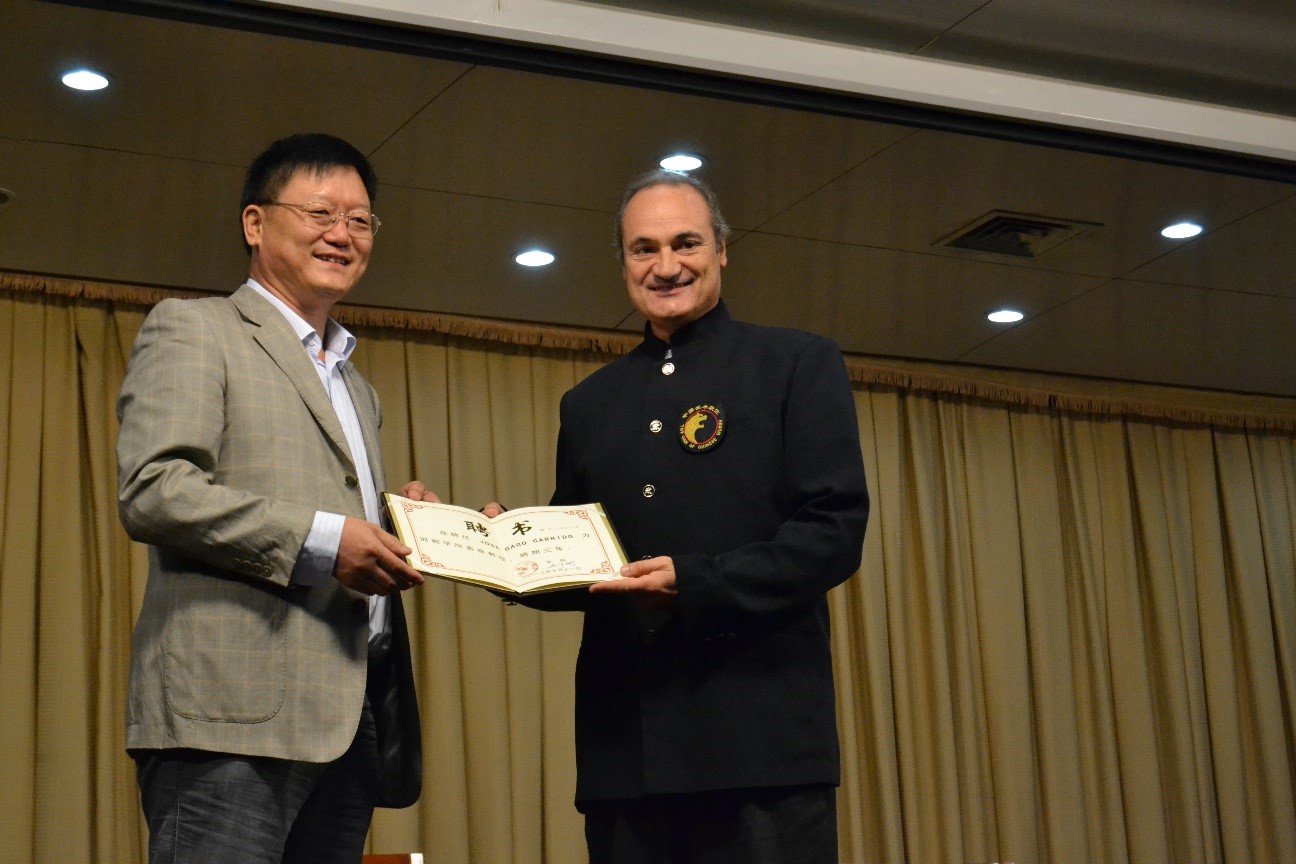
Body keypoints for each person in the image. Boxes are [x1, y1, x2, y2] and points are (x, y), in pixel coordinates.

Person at [117, 133, 433, 864]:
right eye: (321, 211)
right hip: (228, 719)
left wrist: (408, 522)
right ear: (255, 223)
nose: (342, 234)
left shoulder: (357, 382)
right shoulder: (196, 330)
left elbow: (334, 516)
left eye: (360, 221)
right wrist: (329, 543)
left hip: (348, 721)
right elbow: (155, 490)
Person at [538, 170, 870, 863]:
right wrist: (488, 541)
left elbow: (833, 534)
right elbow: (579, 562)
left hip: (761, 750)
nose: (666, 266)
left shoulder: (795, 365)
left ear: (722, 249)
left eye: (685, 243)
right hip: (625, 756)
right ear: (623, 262)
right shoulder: (590, 404)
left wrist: (695, 581)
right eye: (643, 248)